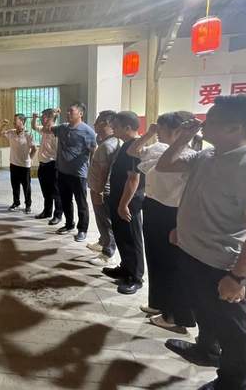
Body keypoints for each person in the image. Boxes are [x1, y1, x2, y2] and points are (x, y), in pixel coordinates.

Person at [156, 95, 246, 390]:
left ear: (235, 128)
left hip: (222, 264)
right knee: (204, 311)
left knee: (233, 330)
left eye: (212, 120)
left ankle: (233, 383)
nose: (203, 124)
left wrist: (238, 277)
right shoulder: (208, 155)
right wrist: (183, 138)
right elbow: (165, 165)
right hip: (193, 252)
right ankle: (206, 349)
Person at [127, 111, 196, 333]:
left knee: (172, 265)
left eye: (162, 128)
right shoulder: (158, 148)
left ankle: (174, 315)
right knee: (155, 259)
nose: (159, 132)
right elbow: (132, 150)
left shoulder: (190, 156)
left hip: (174, 213)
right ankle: (158, 303)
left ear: (177, 130)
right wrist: (149, 133)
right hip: (153, 207)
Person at [102, 111, 145, 295]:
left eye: (117, 125)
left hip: (128, 201)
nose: (113, 128)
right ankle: (125, 268)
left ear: (128, 127)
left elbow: (134, 179)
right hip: (119, 198)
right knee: (121, 235)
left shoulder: (136, 147)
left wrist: (123, 204)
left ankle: (135, 277)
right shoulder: (126, 144)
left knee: (131, 237)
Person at [52, 102, 96, 242]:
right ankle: (69, 224)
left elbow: (93, 152)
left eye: (71, 111)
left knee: (81, 203)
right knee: (65, 201)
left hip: (78, 174)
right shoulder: (62, 128)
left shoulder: (87, 131)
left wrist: (92, 172)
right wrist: (53, 115)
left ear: (80, 113)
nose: (68, 113)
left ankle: (82, 229)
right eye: (67, 111)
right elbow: (47, 128)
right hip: (62, 172)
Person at [87, 110, 121, 266]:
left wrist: (99, 191)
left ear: (107, 124)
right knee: (101, 220)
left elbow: (105, 172)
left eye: (98, 122)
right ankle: (103, 242)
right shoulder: (105, 142)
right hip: (97, 188)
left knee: (105, 221)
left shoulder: (108, 145)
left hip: (102, 190)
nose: (95, 125)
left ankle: (108, 254)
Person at [31, 108, 63, 225]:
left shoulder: (57, 132)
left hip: (53, 165)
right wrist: (34, 118)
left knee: (56, 192)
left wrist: (56, 113)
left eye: (44, 117)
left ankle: (58, 215)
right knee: (46, 192)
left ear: (51, 118)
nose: (42, 119)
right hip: (42, 165)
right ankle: (47, 211)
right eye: (42, 117)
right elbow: (34, 127)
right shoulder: (44, 130)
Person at [0, 114, 36, 213]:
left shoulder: (28, 134)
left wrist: (30, 159)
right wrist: (3, 125)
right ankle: (16, 202)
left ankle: (28, 205)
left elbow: (34, 148)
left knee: (26, 187)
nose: (13, 122)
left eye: (15, 120)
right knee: (15, 186)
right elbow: (1, 134)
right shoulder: (11, 132)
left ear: (22, 121)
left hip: (24, 166)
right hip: (13, 164)